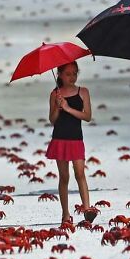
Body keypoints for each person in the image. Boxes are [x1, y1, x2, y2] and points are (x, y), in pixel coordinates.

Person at [45, 61, 96, 224]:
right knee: (64, 177)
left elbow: (87, 116)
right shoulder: (55, 94)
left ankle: (87, 208)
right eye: (68, 74)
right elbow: (52, 120)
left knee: (80, 173)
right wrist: (58, 108)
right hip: (60, 138)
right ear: (59, 75)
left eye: (74, 73)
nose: (72, 77)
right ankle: (65, 214)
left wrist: (67, 108)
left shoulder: (83, 92)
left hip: (76, 138)